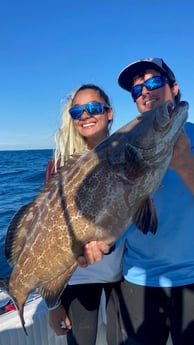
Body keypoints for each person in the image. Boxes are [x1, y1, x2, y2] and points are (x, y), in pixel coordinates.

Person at [79, 58, 194, 345]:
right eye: (136, 89)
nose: (144, 91)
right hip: (138, 280)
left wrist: (185, 166)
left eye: (154, 82)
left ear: (174, 88)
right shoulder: (122, 144)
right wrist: (106, 241)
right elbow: (125, 210)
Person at [45, 83, 124, 345]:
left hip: (122, 276)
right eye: (77, 111)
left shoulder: (128, 154)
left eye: (93, 108)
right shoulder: (59, 166)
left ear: (109, 113)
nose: (85, 115)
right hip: (77, 279)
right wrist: (52, 304)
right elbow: (46, 237)